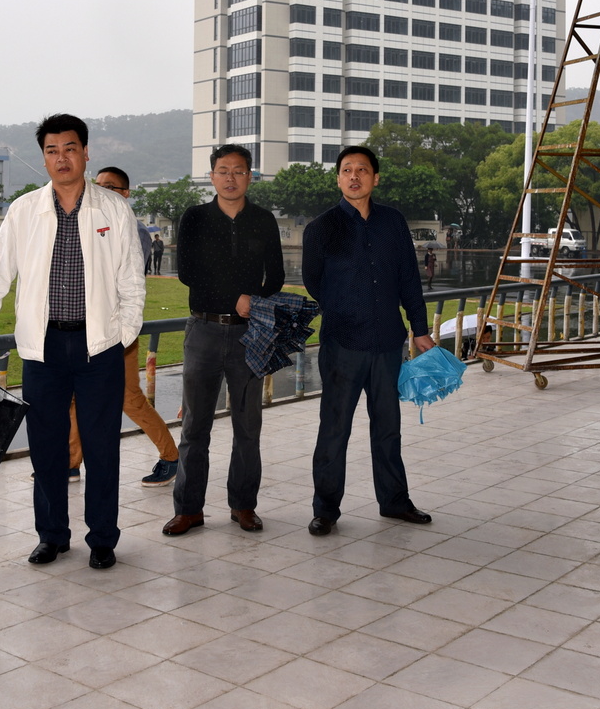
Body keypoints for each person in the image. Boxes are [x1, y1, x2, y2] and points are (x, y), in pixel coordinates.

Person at [0, 114, 144, 569]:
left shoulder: (113, 209)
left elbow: (132, 281)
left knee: (101, 447)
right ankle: (51, 535)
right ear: (44, 158)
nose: (61, 158)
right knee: (47, 448)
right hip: (43, 350)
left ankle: (103, 538)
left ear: (85, 153)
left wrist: (121, 336)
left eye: (70, 148)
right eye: (52, 150)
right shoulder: (24, 211)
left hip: (99, 349)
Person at [303, 146, 435, 537]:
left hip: (388, 342)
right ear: (338, 178)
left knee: (388, 428)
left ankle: (394, 501)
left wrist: (420, 328)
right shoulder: (321, 227)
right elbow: (314, 282)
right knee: (334, 430)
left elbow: (409, 278)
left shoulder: (393, 222)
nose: (354, 176)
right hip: (342, 344)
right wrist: (345, 308)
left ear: (375, 178)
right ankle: (325, 510)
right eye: (347, 170)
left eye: (362, 170)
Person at [163, 144, 285, 536]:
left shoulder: (263, 220)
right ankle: (188, 509)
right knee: (195, 425)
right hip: (203, 331)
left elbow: (276, 275)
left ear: (250, 176)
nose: (230, 178)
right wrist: (235, 297)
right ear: (212, 175)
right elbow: (188, 272)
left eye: (238, 170)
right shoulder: (195, 218)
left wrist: (255, 300)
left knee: (248, 425)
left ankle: (243, 505)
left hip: (251, 333)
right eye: (223, 170)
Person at [63, 167, 180, 487]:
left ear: (126, 194)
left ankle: (171, 456)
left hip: (117, 330)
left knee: (129, 398)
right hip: (82, 327)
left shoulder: (134, 229)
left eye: (109, 187)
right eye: (97, 185)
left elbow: (122, 279)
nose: (99, 191)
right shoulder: (88, 222)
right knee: (74, 396)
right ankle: (71, 463)